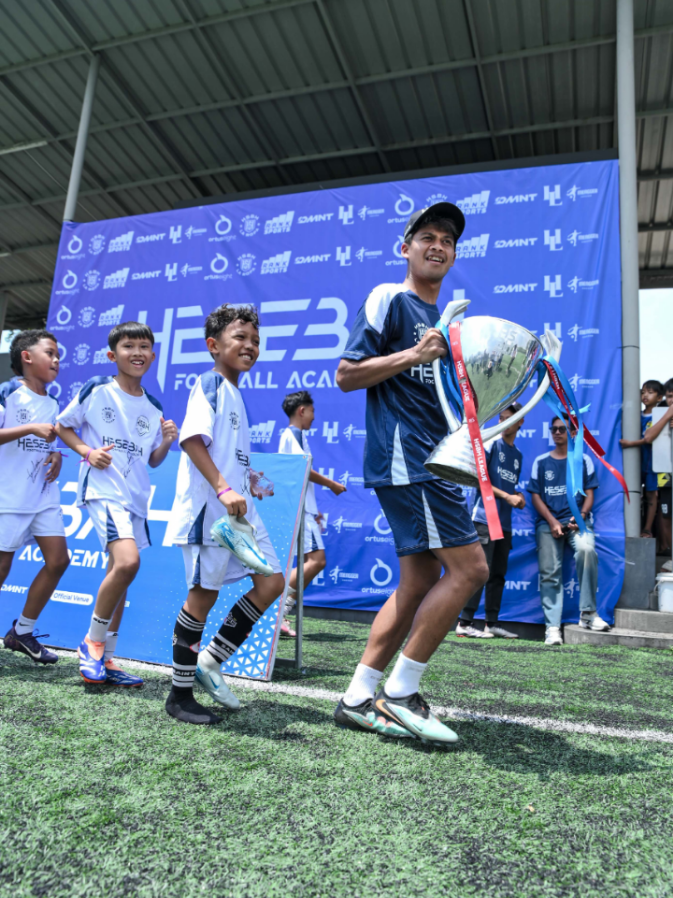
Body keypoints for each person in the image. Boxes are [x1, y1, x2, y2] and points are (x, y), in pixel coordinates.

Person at [333, 201, 489, 745]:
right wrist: (413, 353)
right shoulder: (388, 298)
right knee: (471, 570)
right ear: (406, 247)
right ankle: (400, 693)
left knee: (421, 579)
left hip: (433, 460)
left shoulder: (448, 324)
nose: (438, 245)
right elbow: (347, 375)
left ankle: (357, 697)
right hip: (406, 458)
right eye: (427, 236)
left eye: (448, 240)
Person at [164, 304, 285, 726]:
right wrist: (222, 485)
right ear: (214, 345)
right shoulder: (210, 383)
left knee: (272, 582)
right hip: (209, 513)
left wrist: (247, 479)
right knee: (203, 596)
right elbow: (192, 440)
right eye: (240, 338)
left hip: (238, 514)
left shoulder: (234, 393)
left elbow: (224, 450)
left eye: (255, 340)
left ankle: (211, 660)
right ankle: (179, 695)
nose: (249, 346)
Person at [56, 322, 178, 686]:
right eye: (129, 346)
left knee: (121, 577)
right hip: (103, 489)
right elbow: (63, 425)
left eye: (144, 347)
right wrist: (87, 451)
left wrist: (167, 440)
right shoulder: (97, 389)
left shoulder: (153, 406)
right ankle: (91, 643)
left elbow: (153, 461)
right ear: (113, 354)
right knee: (128, 562)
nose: (137, 352)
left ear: (153, 356)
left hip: (137, 497)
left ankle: (108, 659)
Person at [1, 331, 69, 665]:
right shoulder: (9, 391)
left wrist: (56, 454)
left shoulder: (54, 402)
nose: (57, 360)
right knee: (2, 566)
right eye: (50, 353)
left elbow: (49, 443)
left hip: (43, 494)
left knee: (59, 561)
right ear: (27, 357)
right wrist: (30, 429)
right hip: (9, 494)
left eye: (58, 355)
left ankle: (21, 632)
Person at [528, 415, 609, 646]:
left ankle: (588, 614)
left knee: (586, 550)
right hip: (548, 523)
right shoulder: (541, 461)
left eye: (562, 429)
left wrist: (580, 516)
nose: (557, 432)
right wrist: (553, 521)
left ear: (573, 432)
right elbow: (535, 496)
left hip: (579, 521)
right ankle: (552, 627)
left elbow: (590, 494)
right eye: (553, 429)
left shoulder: (583, 460)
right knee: (550, 571)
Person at [277, 390, 346, 638]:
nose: (315, 417)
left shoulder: (295, 436)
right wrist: (331, 484)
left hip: (304, 509)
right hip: (299, 510)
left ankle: (278, 610)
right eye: (313, 411)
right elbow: (303, 469)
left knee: (312, 562)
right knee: (317, 561)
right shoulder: (292, 434)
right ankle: (276, 606)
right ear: (302, 410)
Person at [456, 403, 526, 639]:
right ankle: (464, 623)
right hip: (484, 520)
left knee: (497, 574)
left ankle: (491, 623)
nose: (503, 423)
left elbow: (509, 486)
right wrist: (507, 496)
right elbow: (479, 480)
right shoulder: (490, 443)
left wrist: (518, 496)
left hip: (504, 523)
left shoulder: (517, 455)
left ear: (520, 423)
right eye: (500, 418)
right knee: (480, 572)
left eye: (508, 419)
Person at [620, 380, 665, 538]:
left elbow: (649, 438)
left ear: (659, 398)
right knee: (633, 493)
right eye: (643, 392)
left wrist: (631, 443)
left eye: (650, 392)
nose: (645, 395)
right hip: (635, 462)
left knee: (651, 495)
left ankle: (647, 529)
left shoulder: (660, 416)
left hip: (653, 461)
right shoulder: (635, 415)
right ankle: (633, 526)